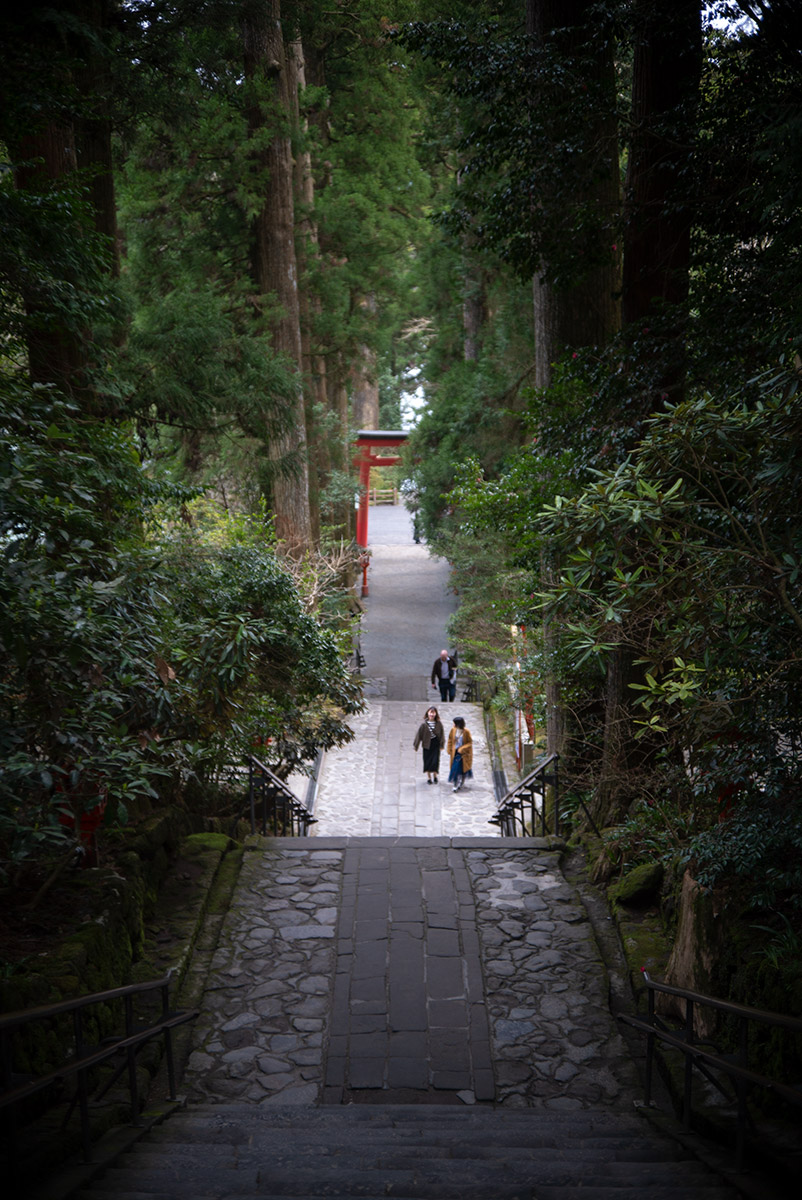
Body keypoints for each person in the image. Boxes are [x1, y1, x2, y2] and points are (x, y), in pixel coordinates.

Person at [413, 706, 445, 784]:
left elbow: (442, 735)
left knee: (435, 761)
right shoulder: (424, 725)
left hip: (435, 744)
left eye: (433, 713)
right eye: (430, 712)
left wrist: (442, 745)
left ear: (436, 714)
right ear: (427, 713)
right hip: (427, 744)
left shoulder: (439, 724)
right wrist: (416, 745)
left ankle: (435, 776)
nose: (432, 714)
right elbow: (419, 735)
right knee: (427, 761)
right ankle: (429, 777)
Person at [446, 716, 473, 792]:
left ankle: (461, 782)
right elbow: (450, 739)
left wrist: (462, 749)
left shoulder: (466, 732)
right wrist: (449, 749)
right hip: (455, 752)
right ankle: (455, 784)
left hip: (463, 754)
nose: (453, 725)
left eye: (454, 723)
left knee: (462, 769)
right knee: (455, 768)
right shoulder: (453, 730)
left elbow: (469, 743)